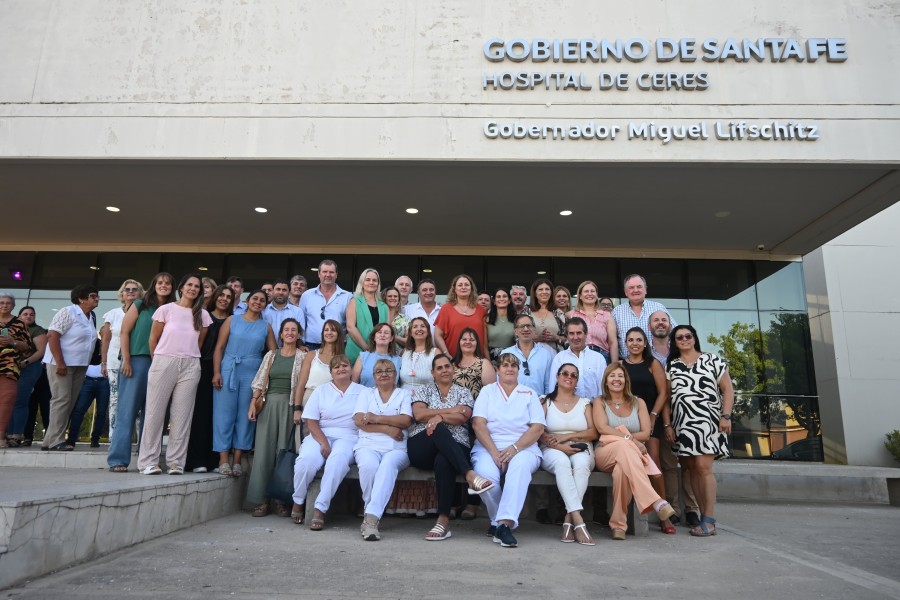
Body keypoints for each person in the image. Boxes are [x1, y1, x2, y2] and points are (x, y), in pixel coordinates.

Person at [408, 353, 493, 541]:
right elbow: (419, 415)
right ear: (433, 372)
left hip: (456, 447)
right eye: (439, 368)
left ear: (453, 369)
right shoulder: (424, 390)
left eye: (447, 366)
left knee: (444, 459)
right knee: (438, 429)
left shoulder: (463, 392)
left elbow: (463, 417)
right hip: (423, 446)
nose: (444, 370)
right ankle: (470, 475)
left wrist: (437, 416)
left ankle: (443, 520)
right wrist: (448, 413)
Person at [137, 273, 212, 475]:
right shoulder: (166, 309)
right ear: (181, 288)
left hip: (190, 364)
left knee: (182, 416)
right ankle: (148, 462)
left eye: (197, 286)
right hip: (164, 361)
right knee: (154, 413)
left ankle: (176, 462)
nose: (193, 288)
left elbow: (200, 342)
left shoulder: (203, 315)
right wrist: (159, 361)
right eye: (190, 284)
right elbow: (153, 339)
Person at [593, 363, 677, 540]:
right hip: (605, 453)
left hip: (629, 457)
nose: (617, 379)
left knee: (622, 473)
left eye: (620, 376)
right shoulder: (599, 401)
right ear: (606, 381)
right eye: (612, 376)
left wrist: (625, 439)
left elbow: (646, 433)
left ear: (626, 380)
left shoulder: (639, 402)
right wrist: (631, 439)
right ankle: (655, 501)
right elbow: (602, 428)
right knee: (624, 447)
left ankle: (618, 526)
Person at [471, 353, 546, 548]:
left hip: (524, 448)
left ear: (519, 370)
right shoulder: (487, 392)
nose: (510, 368)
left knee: (519, 469)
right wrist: (495, 452)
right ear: (497, 370)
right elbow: (478, 424)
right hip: (489, 446)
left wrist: (514, 448)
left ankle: (503, 524)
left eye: (514, 365)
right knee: (485, 479)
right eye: (505, 365)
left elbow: (537, 428)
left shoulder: (529, 393)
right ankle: (498, 521)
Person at [666, 324, 735, 537]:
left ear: (694, 338)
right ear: (675, 342)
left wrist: (726, 416)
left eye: (688, 336)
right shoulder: (672, 366)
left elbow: (728, 389)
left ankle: (709, 519)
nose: (684, 339)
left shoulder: (712, 360)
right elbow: (667, 400)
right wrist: (668, 425)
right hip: (683, 425)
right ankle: (703, 514)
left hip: (708, 422)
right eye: (679, 337)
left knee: (704, 467)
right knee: (693, 468)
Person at [108, 272, 175, 471]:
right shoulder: (139, 305)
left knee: (153, 414)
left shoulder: (173, 309)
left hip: (162, 364)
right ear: (153, 285)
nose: (163, 286)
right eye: (160, 283)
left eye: (168, 283)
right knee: (127, 411)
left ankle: (146, 458)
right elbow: (124, 332)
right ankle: (118, 459)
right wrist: (126, 359)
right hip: (137, 361)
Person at [292, 354, 363, 530]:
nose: (341, 369)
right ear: (331, 372)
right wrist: (324, 443)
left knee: (337, 461)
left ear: (351, 369)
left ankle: (320, 509)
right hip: (320, 434)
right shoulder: (321, 390)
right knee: (306, 461)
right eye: (336, 367)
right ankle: (298, 500)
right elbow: (311, 421)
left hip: (349, 436)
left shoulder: (363, 391)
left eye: (345, 365)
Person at [213, 289, 276, 477]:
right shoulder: (232, 320)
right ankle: (223, 458)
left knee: (246, 416)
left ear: (265, 305)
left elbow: (273, 354)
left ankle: (238, 458)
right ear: (247, 301)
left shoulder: (266, 327)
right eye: (255, 299)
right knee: (223, 414)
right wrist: (216, 371)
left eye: (262, 300)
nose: (258, 302)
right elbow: (219, 347)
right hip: (229, 369)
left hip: (252, 372)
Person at [246, 319, 306, 517]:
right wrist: (253, 404)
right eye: (286, 330)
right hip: (269, 405)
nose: (289, 333)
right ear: (280, 335)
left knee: (284, 453)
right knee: (264, 452)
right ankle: (261, 500)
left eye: (294, 330)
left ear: (299, 335)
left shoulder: (303, 356)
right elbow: (259, 381)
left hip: (290, 408)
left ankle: (282, 501)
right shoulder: (271, 355)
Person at [620, 326, 674, 534]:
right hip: (627, 422)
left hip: (650, 420)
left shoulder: (653, 364)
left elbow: (663, 393)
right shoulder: (620, 365)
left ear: (645, 343)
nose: (634, 343)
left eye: (638, 340)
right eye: (631, 340)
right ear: (626, 343)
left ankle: (664, 515)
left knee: (653, 464)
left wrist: (653, 415)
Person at [353, 359, 414, 541]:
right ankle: (371, 515)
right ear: (374, 377)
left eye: (389, 370)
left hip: (396, 448)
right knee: (369, 467)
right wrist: (387, 428)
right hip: (367, 444)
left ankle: (370, 519)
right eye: (379, 371)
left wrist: (376, 418)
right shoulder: (366, 394)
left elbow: (405, 421)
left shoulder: (404, 394)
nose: (384, 374)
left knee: (387, 466)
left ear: (395, 375)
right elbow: (359, 421)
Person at [649, 311, 700, 528]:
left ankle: (692, 510)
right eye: (656, 320)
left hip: (692, 419)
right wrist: (666, 422)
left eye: (664, 320)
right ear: (649, 325)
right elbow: (666, 395)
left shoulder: (684, 355)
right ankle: (674, 509)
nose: (660, 323)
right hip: (663, 416)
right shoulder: (646, 351)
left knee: (690, 466)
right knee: (669, 465)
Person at [540, 363, 598, 545]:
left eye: (573, 375)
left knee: (581, 465)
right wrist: (560, 447)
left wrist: (570, 437)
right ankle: (578, 521)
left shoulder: (585, 403)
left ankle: (568, 518)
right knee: (562, 463)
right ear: (557, 377)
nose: (569, 377)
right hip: (552, 449)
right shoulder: (545, 401)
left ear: (577, 381)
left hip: (581, 446)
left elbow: (593, 432)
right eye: (565, 373)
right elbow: (539, 431)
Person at [42, 284, 99, 451]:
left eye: (97, 296)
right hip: (61, 364)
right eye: (93, 296)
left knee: (69, 402)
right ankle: (56, 441)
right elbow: (52, 335)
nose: (97, 299)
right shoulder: (68, 312)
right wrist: (60, 362)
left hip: (80, 365)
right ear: (81, 299)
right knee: (61, 400)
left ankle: (48, 440)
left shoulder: (92, 315)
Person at [185, 284, 233, 473]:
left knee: (219, 416)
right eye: (221, 295)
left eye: (229, 297)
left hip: (226, 371)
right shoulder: (204, 316)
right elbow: (198, 343)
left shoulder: (233, 320)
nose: (224, 299)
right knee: (201, 414)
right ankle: (197, 460)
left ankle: (214, 460)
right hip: (203, 368)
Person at [100, 279, 144, 440]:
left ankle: (140, 439)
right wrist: (103, 362)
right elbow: (106, 339)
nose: (131, 292)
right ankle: (115, 437)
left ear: (140, 293)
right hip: (114, 362)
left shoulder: (144, 312)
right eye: (127, 289)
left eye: (135, 289)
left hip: (137, 362)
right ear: (122, 293)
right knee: (115, 400)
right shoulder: (112, 314)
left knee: (138, 402)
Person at [293, 320, 345, 442]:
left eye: (333, 330)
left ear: (338, 334)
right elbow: (301, 384)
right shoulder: (312, 355)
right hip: (310, 397)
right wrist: (297, 409)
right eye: (326, 330)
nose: (329, 333)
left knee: (327, 436)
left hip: (332, 400)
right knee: (306, 436)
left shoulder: (342, 358)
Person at [609, 274, 675, 363]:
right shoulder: (616, 312)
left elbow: (674, 332)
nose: (635, 290)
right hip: (629, 366)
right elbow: (612, 342)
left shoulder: (658, 308)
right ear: (626, 292)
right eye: (631, 287)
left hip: (658, 363)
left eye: (639, 287)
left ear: (645, 290)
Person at [0, 293, 35, 448]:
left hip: (9, 366)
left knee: (7, 400)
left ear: (13, 306)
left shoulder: (20, 323)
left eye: (8, 303)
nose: (4, 305)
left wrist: (13, 342)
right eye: (1, 302)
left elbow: (27, 347)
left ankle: (1, 435)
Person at [10, 306, 48, 446]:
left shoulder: (37, 331)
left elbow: (40, 352)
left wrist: (26, 362)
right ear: (19, 316)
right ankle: (7, 434)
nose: (29, 316)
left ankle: (17, 434)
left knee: (20, 400)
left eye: (32, 314)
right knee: (8, 400)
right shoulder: (11, 330)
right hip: (10, 368)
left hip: (29, 368)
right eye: (25, 314)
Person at [298, 259, 352, 349]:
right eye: (324, 272)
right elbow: (301, 322)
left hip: (338, 345)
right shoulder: (307, 295)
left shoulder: (347, 296)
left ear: (336, 274)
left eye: (331, 272)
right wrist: (300, 344)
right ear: (319, 274)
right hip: (311, 345)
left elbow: (350, 324)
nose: (328, 275)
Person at [65, 340, 109, 448]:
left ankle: (95, 439)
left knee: (102, 412)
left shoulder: (111, 347)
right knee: (79, 410)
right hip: (88, 381)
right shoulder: (92, 344)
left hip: (104, 381)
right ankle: (71, 439)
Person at [549, 318, 606, 399]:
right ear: (567, 336)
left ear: (586, 334)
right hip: (566, 409)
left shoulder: (598, 359)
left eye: (579, 333)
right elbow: (552, 388)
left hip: (594, 408)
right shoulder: (559, 358)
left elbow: (603, 389)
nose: (575, 337)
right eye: (571, 333)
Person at [434, 274, 488, 358]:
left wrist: (488, 361)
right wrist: (446, 354)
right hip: (453, 360)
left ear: (471, 288)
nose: (463, 287)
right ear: (454, 289)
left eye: (466, 284)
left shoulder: (481, 311)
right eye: (460, 285)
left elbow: (484, 343)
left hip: (477, 361)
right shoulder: (446, 309)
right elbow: (437, 335)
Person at [502, 313, 553, 396]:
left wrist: (546, 402)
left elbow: (549, 384)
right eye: (521, 326)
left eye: (529, 326)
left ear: (534, 330)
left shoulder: (545, 354)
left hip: (538, 402)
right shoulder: (506, 354)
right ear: (515, 331)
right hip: (513, 403)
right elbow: (501, 382)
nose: (525, 329)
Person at [346, 269, 389, 365]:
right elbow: (350, 327)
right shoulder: (355, 302)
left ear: (378, 284)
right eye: (368, 279)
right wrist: (366, 347)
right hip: (356, 350)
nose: (371, 282)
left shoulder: (384, 306)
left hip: (379, 353)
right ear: (362, 282)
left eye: (374, 280)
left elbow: (387, 330)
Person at [568, 280, 612, 363]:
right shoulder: (571, 315)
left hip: (602, 356)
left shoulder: (606, 316)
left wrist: (614, 364)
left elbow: (613, 343)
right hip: (578, 355)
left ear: (596, 295)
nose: (590, 294)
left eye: (592, 291)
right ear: (580, 296)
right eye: (586, 291)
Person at [351, 323, 401, 387]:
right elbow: (354, 382)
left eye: (386, 333)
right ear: (374, 337)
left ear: (391, 338)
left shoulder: (398, 360)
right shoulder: (363, 356)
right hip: (366, 395)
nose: (382, 335)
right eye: (379, 332)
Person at [523, 279, 566, 352]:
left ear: (551, 292)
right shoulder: (526, 312)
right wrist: (537, 338)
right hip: (530, 355)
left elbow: (568, 338)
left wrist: (556, 337)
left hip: (555, 356)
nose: (544, 292)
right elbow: (517, 336)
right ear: (535, 293)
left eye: (547, 289)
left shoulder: (559, 313)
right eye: (540, 289)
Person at [452, 329, 496, 401]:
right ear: (459, 342)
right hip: (453, 408)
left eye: (472, 340)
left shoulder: (484, 363)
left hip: (476, 408)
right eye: (464, 339)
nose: (468, 342)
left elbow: (491, 392)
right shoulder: (451, 364)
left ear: (477, 343)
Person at [262, 279, 303, 347]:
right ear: (273, 291)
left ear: (289, 292)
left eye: (284, 290)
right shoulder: (263, 310)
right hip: (265, 350)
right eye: (278, 289)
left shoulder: (297, 311)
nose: (280, 292)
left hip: (291, 351)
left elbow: (301, 334)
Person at [486, 287, 516, 361]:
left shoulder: (516, 320)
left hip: (512, 359)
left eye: (504, 296)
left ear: (509, 300)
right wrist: (488, 363)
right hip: (491, 359)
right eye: (498, 297)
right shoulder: (486, 320)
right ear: (494, 301)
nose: (501, 299)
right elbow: (484, 346)